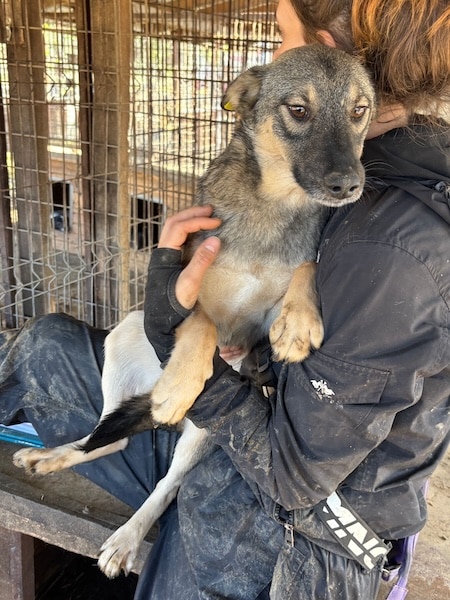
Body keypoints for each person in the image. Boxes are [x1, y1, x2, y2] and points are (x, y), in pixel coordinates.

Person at [1, 0, 449, 598]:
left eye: (280, 37)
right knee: (46, 342)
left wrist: (187, 348)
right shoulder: (372, 168)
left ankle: (135, 484)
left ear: (322, 50)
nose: (274, 54)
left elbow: (294, 476)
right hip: (242, 426)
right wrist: (179, 313)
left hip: (298, 535)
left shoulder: (391, 247)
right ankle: (99, 439)